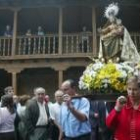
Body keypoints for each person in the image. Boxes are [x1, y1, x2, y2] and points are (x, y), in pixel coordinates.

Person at [106, 76, 140, 140]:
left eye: (135, 89)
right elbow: (109, 124)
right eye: (129, 89)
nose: (131, 93)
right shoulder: (122, 103)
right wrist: (117, 109)